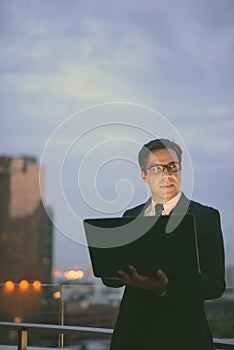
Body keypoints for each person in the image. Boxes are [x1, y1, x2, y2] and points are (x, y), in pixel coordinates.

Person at [102, 138, 225, 350]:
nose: (167, 174)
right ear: (144, 175)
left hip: (183, 337)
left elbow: (215, 284)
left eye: (172, 167)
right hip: (132, 337)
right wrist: (112, 270)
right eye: (157, 168)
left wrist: (166, 288)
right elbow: (111, 279)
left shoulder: (204, 217)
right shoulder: (130, 217)